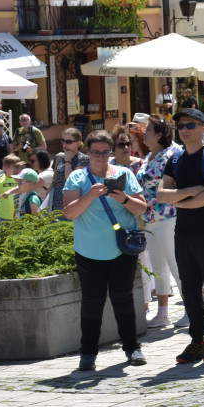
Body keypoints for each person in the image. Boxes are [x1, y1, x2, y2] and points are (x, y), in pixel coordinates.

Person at [61, 130, 148, 371]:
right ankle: (87, 353)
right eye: (95, 152)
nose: (100, 157)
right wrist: (88, 196)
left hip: (122, 249)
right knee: (92, 302)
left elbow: (141, 209)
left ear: (110, 152)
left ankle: (132, 348)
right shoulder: (78, 178)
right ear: (87, 152)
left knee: (124, 298)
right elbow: (69, 213)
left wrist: (123, 200)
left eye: (105, 152)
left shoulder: (124, 174)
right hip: (89, 250)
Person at [157, 107, 204, 365]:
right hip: (183, 232)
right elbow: (161, 195)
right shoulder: (175, 160)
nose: (184, 129)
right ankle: (197, 339)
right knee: (189, 289)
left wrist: (178, 200)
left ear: (202, 128)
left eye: (189, 125)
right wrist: (190, 192)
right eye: (181, 125)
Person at [137, 115, 182, 328]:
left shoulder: (173, 154)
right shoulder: (149, 157)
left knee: (175, 263)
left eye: (148, 129)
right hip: (150, 218)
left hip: (168, 215)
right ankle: (163, 312)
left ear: (160, 134)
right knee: (157, 267)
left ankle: (192, 309)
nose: (144, 133)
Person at [0, 154, 21, 223]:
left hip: (18, 216)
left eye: (8, 167)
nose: (4, 168)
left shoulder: (20, 179)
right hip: (3, 216)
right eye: (4, 165)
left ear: (16, 168)